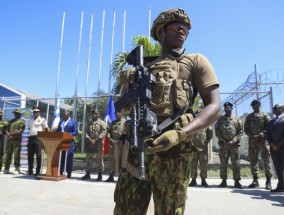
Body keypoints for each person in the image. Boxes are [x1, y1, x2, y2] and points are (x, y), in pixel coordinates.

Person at [114, 8, 221, 215]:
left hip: (174, 150)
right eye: (175, 27)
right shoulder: (142, 67)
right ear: (161, 32)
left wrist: (179, 134)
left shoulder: (196, 61)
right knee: (126, 208)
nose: (182, 31)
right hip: (137, 149)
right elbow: (125, 109)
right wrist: (127, 84)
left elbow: (214, 106)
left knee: (169, 210)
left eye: (185, 29)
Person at [244, 100, 273, 189]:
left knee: (266, 160)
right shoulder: (249, 117)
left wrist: (260, 135)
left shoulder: (264, 115)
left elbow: (269, 127)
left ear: (259, 105)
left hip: (263, 142)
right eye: (253, 105)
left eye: (255, 105)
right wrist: (252, 136)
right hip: (252, 142)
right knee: (253, 160)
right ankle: (255, 180)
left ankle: (268, 181)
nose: (254, 107)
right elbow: (246, 129)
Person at [215, 102, 243, 189]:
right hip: (224, 146)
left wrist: (233, 141)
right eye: (226, 107)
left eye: (229, 107)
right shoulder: (220, 120)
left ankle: (237, 181)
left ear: (231, 108)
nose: (227, 108)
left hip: (234, 146)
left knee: (236, 163)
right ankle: (223, 181)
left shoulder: (237, 120)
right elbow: (217, 131)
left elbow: (240, 132)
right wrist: (224, 141)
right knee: (223, 164)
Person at [188, 111, 213, 187]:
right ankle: (193, 180)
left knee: (203, 165)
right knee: (193, 165)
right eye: (196, 114)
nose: (197, 115)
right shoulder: (192, 124)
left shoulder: (205, 123)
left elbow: (210, 134)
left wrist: (205, 142)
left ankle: (203, 180)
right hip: (193, 148)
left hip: (203, 149)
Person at [81, 109, 106, 181]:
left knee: (99, 159)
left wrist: (96, 140)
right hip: (90, 143)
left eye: (95, 113)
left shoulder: (102, 123)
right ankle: (87, 174)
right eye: (92, 113)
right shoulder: (89, 123)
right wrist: (89, 139)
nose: (93, 115)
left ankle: (100, 175)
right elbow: (85, 132)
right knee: (88, 158)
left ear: (98, 114)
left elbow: (104, 131)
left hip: (98, 143)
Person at [266, 104, 284, 192]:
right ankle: (280, 185)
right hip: (274, 149)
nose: (273, 110)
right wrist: (271, 144)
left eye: (275, 109)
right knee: (278, 167)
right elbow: (267, 134)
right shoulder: (271, 121)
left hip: (282, 147)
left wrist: (279, 144)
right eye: (273, 109)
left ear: (281, 109)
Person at [27, 106, 49, 176]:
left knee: (38, 155)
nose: (35, 113)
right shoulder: (30, 119)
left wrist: (44, 139)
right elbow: (30, 128)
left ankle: (37, 171)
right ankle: (30, 170)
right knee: (30, 155)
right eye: (34, 112)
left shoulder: (42, 120)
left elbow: (46, 129)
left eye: (36, 112)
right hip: (31, 138)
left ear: (39, 112)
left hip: (38, 138)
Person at [56, 110, 78, 178]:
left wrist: (67, 134)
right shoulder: (61, 121)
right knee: (61, 157)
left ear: (68, 116)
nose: (64, 117)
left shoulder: (73, 122)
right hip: (61, 142)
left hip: (69, 142)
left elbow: (75, 132)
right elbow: (58, 130)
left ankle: (69, 172)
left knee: (69, 158)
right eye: (63, 116)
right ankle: (60, 171)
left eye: (65, 116)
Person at [3, 108, 25, 175]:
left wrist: (11, 134)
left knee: (16, 155)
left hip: (17, 141)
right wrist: (8, 134)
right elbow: (6, 129)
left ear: (19, 114)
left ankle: (17, 168)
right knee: (8, 154)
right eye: (15, 113)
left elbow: (20, 131)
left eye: (16, 113)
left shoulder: (21, 121)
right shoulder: (11, 121)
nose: (15, 114)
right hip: (10, 140)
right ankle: (6, 168)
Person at [105, 111, 126, 182]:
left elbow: (126, 133)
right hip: (112, 145)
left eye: (118, 113)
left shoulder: (125, 122)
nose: (117, 114)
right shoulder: (112, 123)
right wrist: (111, 139)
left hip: (121, 145)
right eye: (116, 113)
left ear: (121, 114)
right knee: (111, 160)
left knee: (120, 160)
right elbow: (108, 132)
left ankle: (121, 177)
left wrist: (119, 140)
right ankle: (111, 176)